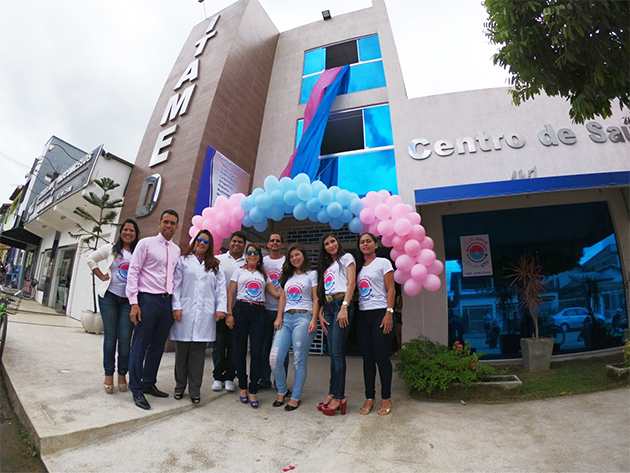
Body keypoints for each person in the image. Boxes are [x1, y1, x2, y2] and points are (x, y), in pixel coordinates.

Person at [126, 209, 181, 410]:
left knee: (157, 346)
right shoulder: (145, 244)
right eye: (166, 222)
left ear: (176, 226)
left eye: (173, 223)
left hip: (167, 302)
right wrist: (134, 302)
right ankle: (136, 388)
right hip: (147, 299)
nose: (169, 226)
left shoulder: (176, 250)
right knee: (140, 344)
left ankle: (149, 382)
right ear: (159, 223)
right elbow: (133, 272)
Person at [171, 230, 227, 403]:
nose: (202, 243)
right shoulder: (183, 261)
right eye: (200, 240)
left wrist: (221, 308)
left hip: (205, 314)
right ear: (194, 241)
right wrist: (176, 306)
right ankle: (180, 387)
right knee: (182, 355)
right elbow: (176, 285)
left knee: (197, 357)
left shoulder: (215, 265)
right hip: (185, 312)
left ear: (210, 245)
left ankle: (195, 390)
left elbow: (221, 290)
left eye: (206, 241)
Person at [86, 219, 140, 395]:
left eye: (132, 231)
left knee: (125, 340)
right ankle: (108, 374)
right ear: (121, 232)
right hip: (109, 297)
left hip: (128, 301)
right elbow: (91, 259)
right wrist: (100, 275)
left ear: (136, 234)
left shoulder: (139, 252)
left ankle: (122, 374)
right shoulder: (111, 248)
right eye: (125, 230)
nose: (128, 233)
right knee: (110, 338)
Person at [226, 242, 280, 409]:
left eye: (255, 252)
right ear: (246, 255)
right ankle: (243, 386)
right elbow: (231, 292)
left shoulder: (263, 275)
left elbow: (276, 293)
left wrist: (292, 283)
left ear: (259, 256)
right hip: (241, 310)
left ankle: (253, 389)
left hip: (259, 313)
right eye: (249, 252)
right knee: (240, 350)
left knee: (256, 352)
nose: (252, 255)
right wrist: (229, 313)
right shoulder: (239, 271)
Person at [270, 243, 319, 411]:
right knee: (274, 359)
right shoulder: (287, 277)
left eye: (297, 255)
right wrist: (278, 317)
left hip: (303, 318)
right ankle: (282, 390)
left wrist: (314, 319)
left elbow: (316, 298)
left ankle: (296, 396)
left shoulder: (312, 274)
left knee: (298, 359)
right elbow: (282, 298)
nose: (295, 258)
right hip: (286, 320)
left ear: (303, 255)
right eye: (291, 256)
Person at [355, 232, 395, 416]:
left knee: (382, 357)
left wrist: (389, 312)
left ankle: (386, 396)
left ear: (376, 244)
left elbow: (391, 289)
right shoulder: (358, 268)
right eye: (362, 242)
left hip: (381, 313)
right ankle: (369, 397)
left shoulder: (383, 262)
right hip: (363, 315)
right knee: (367, 359)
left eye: (368, 241)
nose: (365, 244)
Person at [317, 233, 356, 416]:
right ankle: (332, 392)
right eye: (326, 243)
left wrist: (345, 307)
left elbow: (352, 283)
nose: (331, 245)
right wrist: (320, 312)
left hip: (342, 304)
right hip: (330, 307)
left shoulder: (346, 258)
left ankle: (340, 397)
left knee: (338, 352)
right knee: (333, 353)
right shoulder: (326, 267)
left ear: (338, 243)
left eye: (333, 241)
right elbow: (324, 291)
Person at [213, 231, 246, 393]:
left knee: (234, 346)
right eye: (234, 241)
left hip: (238, 312)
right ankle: (218, 377)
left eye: (240, 242)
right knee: (219, 345)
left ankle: (229, 378)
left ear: (244, 245)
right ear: (230, 242)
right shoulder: (219, 260)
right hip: (220, 310)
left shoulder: (247, 262)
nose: (236, 244)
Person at [259, 233, 285, 390]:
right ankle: (264, 379)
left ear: (282, 244)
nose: (275, 243)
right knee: (264, 347)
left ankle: (280, 382)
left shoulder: (287, 261)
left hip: (283, 310)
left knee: (281, 349)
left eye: (278, 240)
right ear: (268, 244)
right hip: (264, 309)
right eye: (272, 240)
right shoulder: (263, 262)